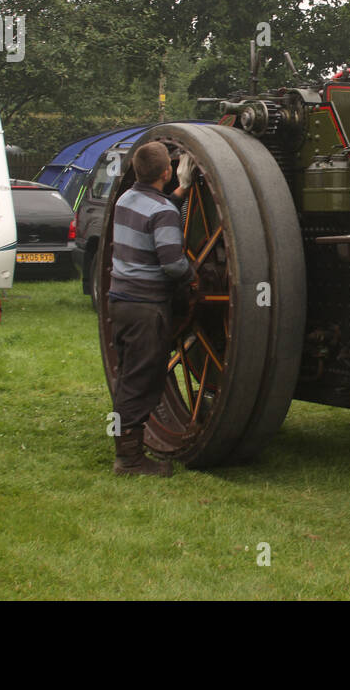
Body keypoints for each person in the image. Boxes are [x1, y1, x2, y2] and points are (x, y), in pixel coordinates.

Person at [107, 141, 196, 477]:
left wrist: (182, 191)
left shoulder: (125, 199)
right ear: (166, 171)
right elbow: (173, 264)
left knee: (128, 376)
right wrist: (192, 276)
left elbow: (152, 216)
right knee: (142, 382)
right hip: (146, 307)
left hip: (121, 302)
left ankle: (123, 446)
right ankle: (128, 461)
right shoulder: (163, 213)